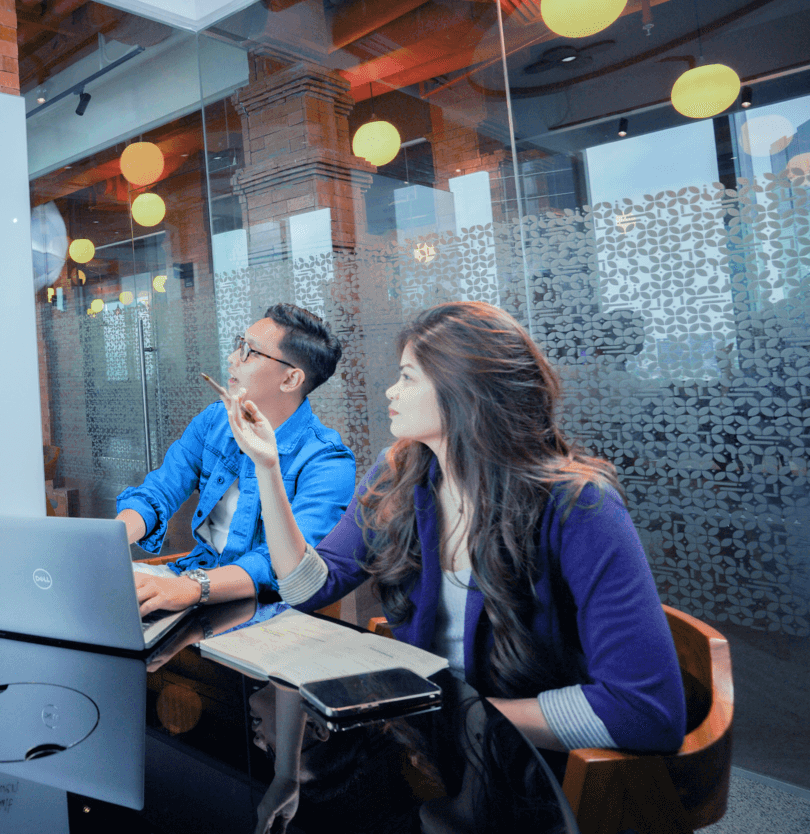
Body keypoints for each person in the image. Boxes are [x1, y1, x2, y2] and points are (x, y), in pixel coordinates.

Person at [218, 301, 685, 755]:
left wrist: (451, 716)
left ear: (465, 391)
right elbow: (308, 588)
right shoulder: (398, 473)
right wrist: (268, 466)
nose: (391, 392)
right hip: (429, 749)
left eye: (407, 377)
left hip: (521, 761)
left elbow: (645, 711)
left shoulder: (578, 505)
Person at [119, 304, 356, 616]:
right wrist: (110, 542)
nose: (232, 358)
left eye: (249, 351)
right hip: (190, 580)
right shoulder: (214, 421)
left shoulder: (328, 461)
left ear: (290, 379)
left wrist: (191, 588)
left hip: (265, 608)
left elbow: (281, 566)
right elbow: (160, 491)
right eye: (238, 344)